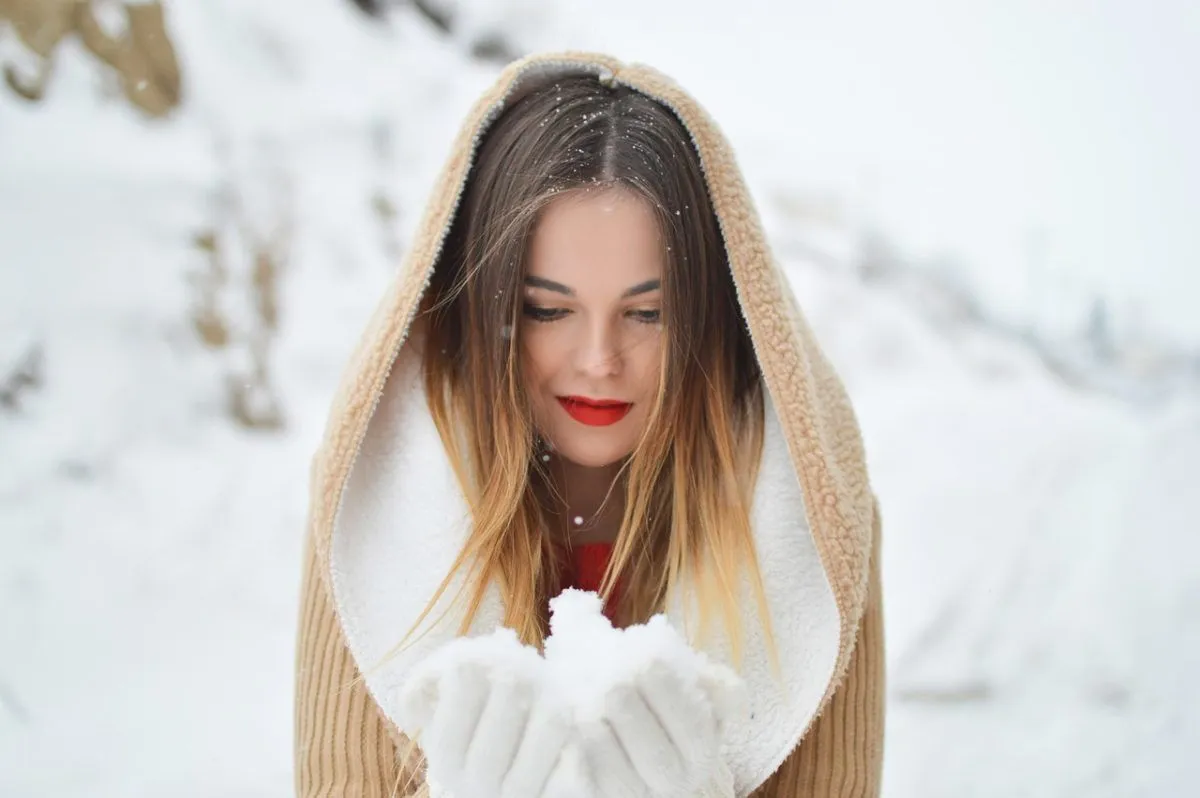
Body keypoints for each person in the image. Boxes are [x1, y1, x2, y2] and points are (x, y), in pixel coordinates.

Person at [294, 51, 885, 797]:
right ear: (485, 309)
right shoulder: (372, 508)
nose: (600, 360)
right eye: (548, 310)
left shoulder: (810, 527)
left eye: (647, 313)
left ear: (712, 318)